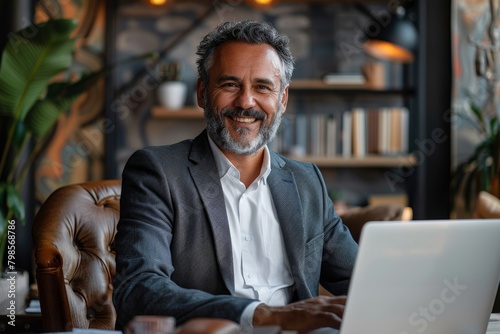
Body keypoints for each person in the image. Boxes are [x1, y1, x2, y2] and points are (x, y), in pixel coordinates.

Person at [113, 20, 358, 333]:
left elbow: (361, 280)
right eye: (229, 85)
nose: (245, 102)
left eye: (262, 87)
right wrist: (266, 316)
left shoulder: (306, 180)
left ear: (282, 99)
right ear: (202, 93)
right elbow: (138, 291)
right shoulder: (158, 171)